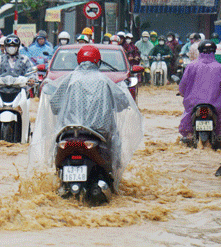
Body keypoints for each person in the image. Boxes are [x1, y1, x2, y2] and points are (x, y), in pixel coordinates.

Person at [29, 45, 143, 193]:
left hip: (68, 133)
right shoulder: (105, 81)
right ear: (98, 61)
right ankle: (113, 184)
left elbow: (55, 105)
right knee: (116, 143)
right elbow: (122, 103)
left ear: (78, 61)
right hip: (99, 134)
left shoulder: (69, 80)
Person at [178, 40, 221, 146]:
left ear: (199, 51)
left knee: (187, 125)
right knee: (218, 127)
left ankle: (188, 136)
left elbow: (183, 86)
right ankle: (217, 136)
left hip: (193, 105)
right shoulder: (220, 67)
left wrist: (182, 93)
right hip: (214, 106)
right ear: (214, 51)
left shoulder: (191, 66)